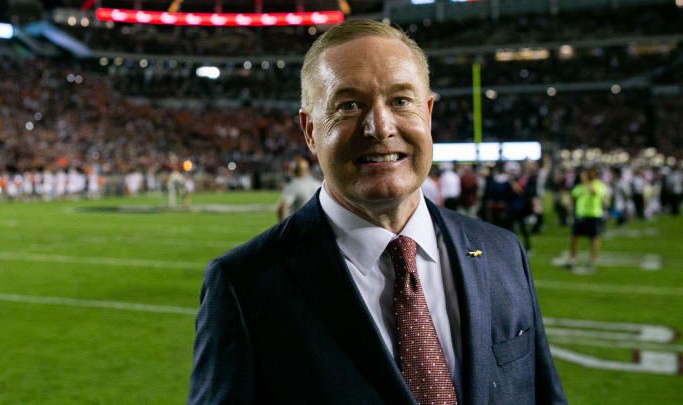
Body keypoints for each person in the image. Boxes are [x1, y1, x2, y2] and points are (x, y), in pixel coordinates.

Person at [189, 20, 566, 405]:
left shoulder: (502, 252)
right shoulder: (245, 285)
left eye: (401, 100)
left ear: (429, 113)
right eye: (348, 105)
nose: (379, 127)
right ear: (309, 130)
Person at [567, 167, 607, 273]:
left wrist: (585, 182)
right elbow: (573, 196)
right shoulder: (580, 186)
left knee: (593, 239)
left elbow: (593, 192)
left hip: (593, 215)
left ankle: (592, 261)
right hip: (580, 215)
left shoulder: (598, 185)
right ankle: (572, 260)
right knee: (573, 238)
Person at [277, 156, 321, 221]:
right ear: (307, 170)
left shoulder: (293, 186)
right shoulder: (318, 184)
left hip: (298, 226)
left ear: (292, 171)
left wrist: (282, 226)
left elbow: (282, 207)